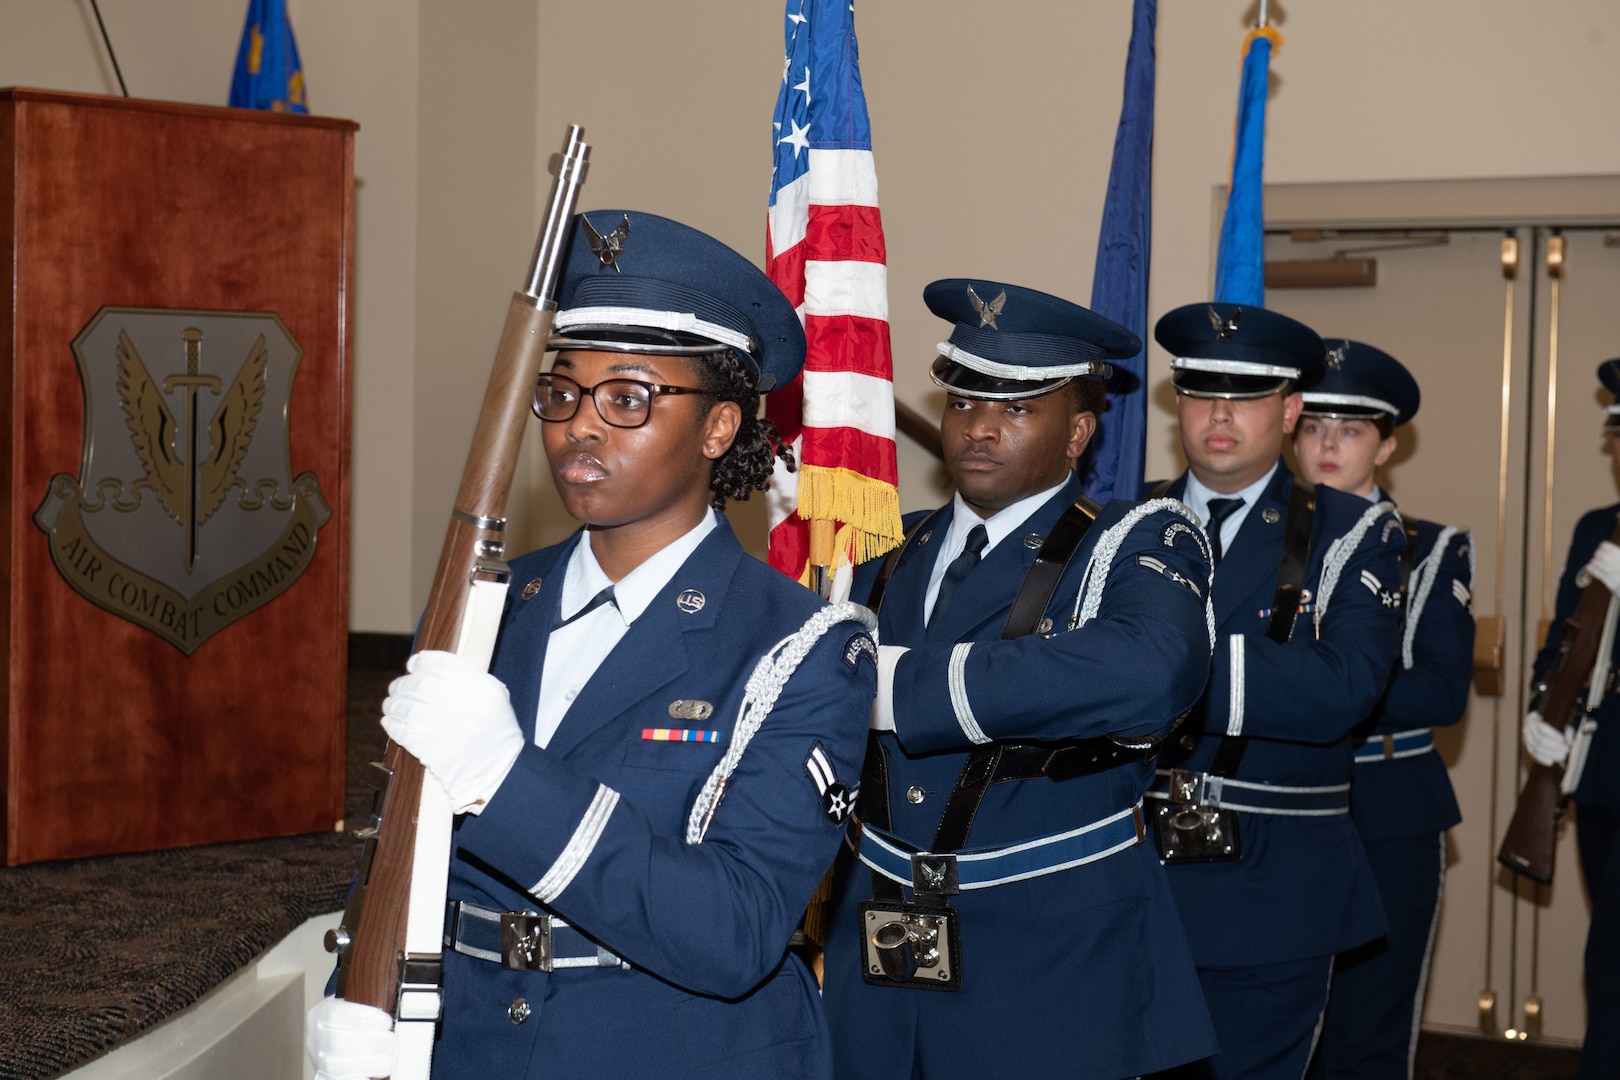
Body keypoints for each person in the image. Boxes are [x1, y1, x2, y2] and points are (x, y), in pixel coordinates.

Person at [305, 210, 878, 1080]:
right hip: (467, 1046)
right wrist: (356, 996)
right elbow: (404, 834)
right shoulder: (491, 601)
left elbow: (735, 928)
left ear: (720, 428)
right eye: (563, 391)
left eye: (629, 398)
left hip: (668, 1050)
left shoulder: (800, 648)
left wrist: (506, 778)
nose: (581, 426)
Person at [821, 279, 1219, 1079]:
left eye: (1016, 409)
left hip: (1051, 950)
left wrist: (901, 688)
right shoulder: (885, 549)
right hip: (880, 941)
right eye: (964, 402)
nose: (979, 427)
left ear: (1077, 433)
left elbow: (1152, 670)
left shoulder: (1133, 538)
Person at [1146, 304, 1404, 1080]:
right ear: (1177, 403)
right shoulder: (1121, 522)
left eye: (1248, 395)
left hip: (1271, 881)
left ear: (1290, 411)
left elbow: (1346, 685)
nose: (1219, 415)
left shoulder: (1350, 530)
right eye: (1201, 391)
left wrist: (1158, 665)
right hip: (1131, 879)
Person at [1289, 341, 1473, 1080]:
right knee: (1279, 1018)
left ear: (1388, 445)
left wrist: (1314, 682)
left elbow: (1440, 690)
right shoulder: (1262, 540)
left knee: (1369, 1029)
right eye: (1314, 425)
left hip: (1389, 804)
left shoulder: (1427, 550)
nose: (1329, 444)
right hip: (1287, 800)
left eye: (1353, 429)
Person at [1522, 357, 1620, 1080]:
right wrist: (1540, 714)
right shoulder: (1598, 527)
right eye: (1619, 433)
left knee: (1611, 957)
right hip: (1603, 776)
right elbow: (1564, 638)